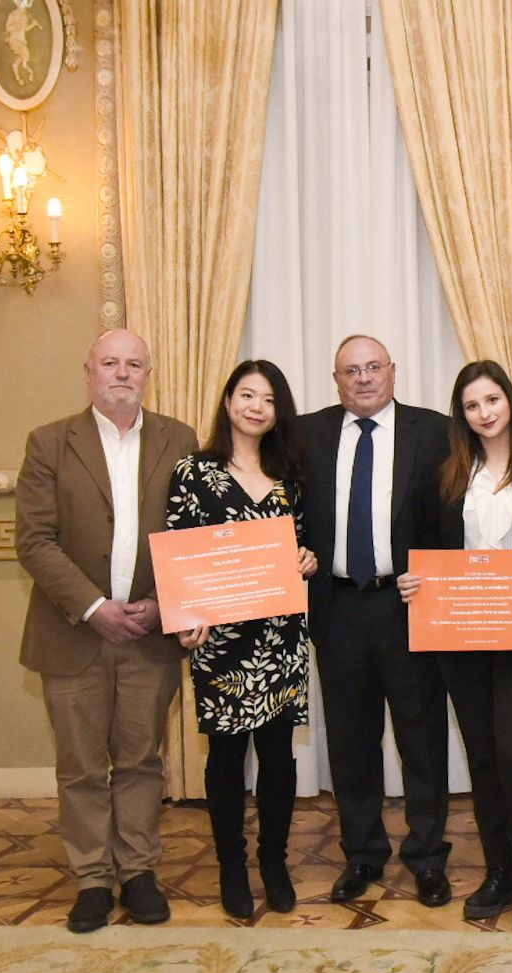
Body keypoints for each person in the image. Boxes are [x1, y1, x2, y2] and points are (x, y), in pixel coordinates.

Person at [15, 329, 198, 933]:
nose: (122, 373)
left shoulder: (180, 439)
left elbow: (191, 538)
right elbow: (34, 540)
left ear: (149, 374)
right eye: (110, 363)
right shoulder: (49, 443)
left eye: (134, 364)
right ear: (88, 371)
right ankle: (93, 878)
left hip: (150, 631)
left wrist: (157, 602)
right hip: (74, 635)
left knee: (144, 759)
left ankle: (140, 872)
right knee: (82, 766)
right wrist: (95, 607)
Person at [396, 361, 512, 936]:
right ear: (461, 415)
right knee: (485, 756)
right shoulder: (445, 476)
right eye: (472, 406)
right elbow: (418, 549)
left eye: (492, 400)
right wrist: (410, 580)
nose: (484, 413)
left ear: (510, 402)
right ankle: (499, 873)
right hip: (462, 636)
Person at [300, 335, 453, 908]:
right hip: (337, 607)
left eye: (372, 368)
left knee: (422, 737)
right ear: (335, 380)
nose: (362, 379)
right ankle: (362, 855)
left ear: (393, 371)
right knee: (350, 741)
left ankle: (428, 859)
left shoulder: (435, 431)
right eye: (350, 371)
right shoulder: (306, 433)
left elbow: (458, 513)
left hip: (408, 605)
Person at [167, 360, 317, 919]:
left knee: (279, 757)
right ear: (228, 401)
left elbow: (306, 546)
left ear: (280, 411)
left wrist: (309, 557)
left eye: (269, 399)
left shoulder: (291, 477)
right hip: (221, 640)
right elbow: (179, 549)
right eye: (247, 395)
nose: (257, 406)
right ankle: (232, 867)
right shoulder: (193, 472)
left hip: (280, 636)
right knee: (226, 759)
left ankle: (273, 862)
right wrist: (186, 616)